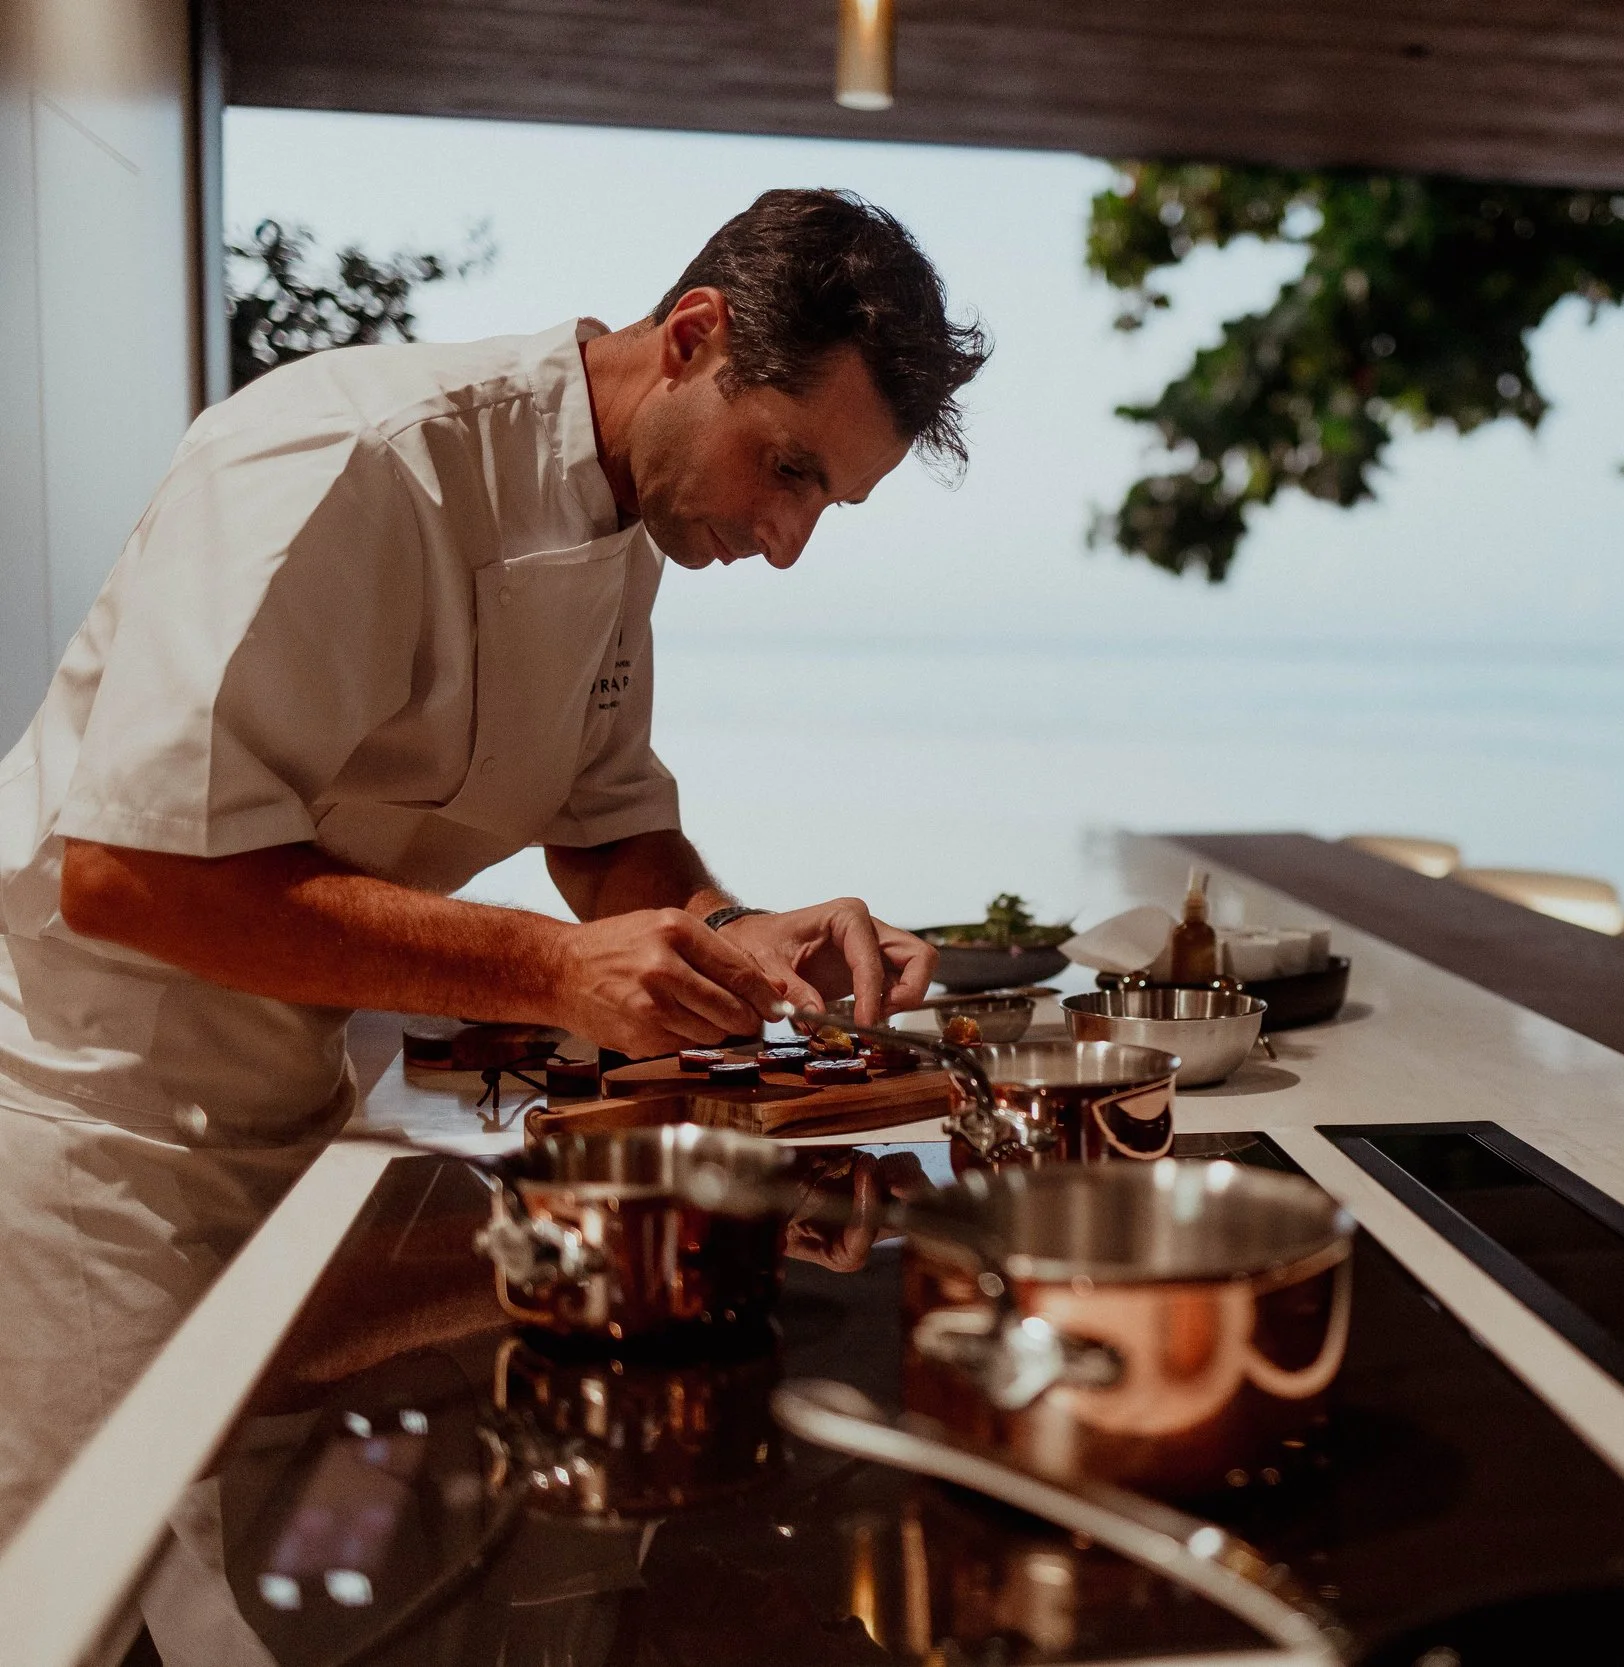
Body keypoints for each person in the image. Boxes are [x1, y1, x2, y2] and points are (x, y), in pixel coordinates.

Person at [0, 187, 989, 1544]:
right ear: (693, 337)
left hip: (283, 1127)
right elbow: (125, 873)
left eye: (832, 500)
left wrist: (735, 927)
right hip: (76, 1142)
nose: (788, 538)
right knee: (84, 1595)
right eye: (791, 467)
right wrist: (553, 969)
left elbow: (603, 823)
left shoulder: (628, 518)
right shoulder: (347, 457)